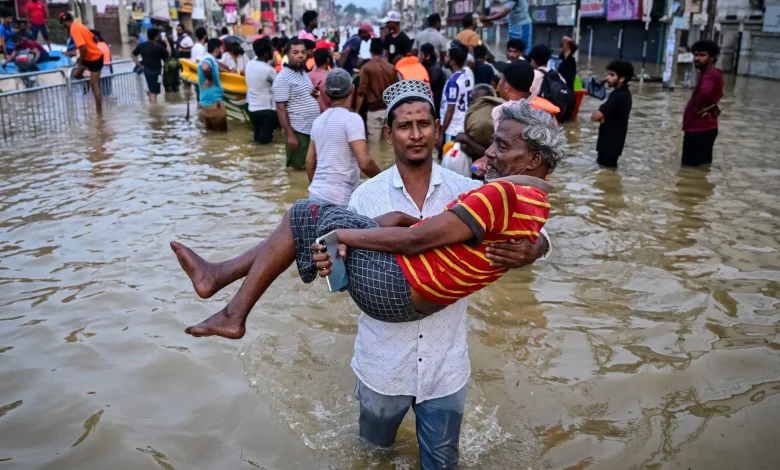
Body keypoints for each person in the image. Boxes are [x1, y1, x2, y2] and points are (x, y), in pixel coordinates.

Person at [170, 90, 555, 469]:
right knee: (374, 457)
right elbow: (339, 278)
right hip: (383, 363)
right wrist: (328, 260)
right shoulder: (366, 195)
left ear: (438, 130)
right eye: (405, 126)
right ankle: (222, 284)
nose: (416, 134)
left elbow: (530, 230)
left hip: (445, 366)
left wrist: (535, 249)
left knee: (442, 463)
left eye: (424, 124)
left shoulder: (470, 188)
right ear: (388, 134)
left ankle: (223, 284)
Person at [306, 68, 382, 206]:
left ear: (326, 92)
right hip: (340, 199)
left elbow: (309, 162)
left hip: (315, 196)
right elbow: (365, 163)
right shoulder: (352, 119)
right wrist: (384, 180)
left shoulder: (318, 121)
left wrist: (321, 189)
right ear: (352, 89)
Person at [273, 38, 321, 169]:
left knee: (310, 167)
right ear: (287, 54)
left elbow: (304, 97)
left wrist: (314, 93)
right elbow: (280, 109)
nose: (300, 55)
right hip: (298, 131)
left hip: (310, 130)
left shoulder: (303, 73)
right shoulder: (282, 78)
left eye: (303, 52)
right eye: (295, 52)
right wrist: (290, 135)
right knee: (298, 169)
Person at [682, 40, 724, 167]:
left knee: (688, 169)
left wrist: (701, 109)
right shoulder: (709, 73)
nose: (697, 58)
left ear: (712, 58)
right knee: (702, 167)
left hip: (699, 129)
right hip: (707, 128)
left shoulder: (710, 74)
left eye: (702, 55)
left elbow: (705, 93)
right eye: (696, 55)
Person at [591, 60, 633, 168]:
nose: (607, 78)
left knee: (605, 172)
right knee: (607, 173)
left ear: (622, 78)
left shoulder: (618, 96)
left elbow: (595, 116)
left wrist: (601, 117)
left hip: (609, 144)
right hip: (613, 144)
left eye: (612, 75)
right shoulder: (625, 93)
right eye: (608, 74)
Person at [60, 13, 104, 116]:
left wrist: (80, 62)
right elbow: (94, 38)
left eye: (63, 24)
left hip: (95, 57)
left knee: (95, 86)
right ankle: (88, 79)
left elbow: (83, 48)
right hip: (87, 57)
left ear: (64, 23)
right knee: (75, 74)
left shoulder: (74, 29)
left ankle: (99, 114)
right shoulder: (80, 26)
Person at [356, 38, 399, 142]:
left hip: (374, 112)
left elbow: (361, 93)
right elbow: (397, 91)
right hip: (390, 111)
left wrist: (356, 113)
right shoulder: (391, 68)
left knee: (374, 146)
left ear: (370, 51)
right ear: (383, 51)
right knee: (389, 145)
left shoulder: (366, 68)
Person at [455, 84, 503, 161]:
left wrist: (467, 140)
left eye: (482, 101)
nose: (477, 104)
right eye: (473, 101)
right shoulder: (474, 116)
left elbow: (492, 154)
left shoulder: (498, 118)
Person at [438, 47, 473, 148]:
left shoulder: (453, 82)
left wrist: (441, 133)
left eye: (447, 56)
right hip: (463, 126)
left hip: (452, 128)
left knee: (447, 155)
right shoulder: (467, 77)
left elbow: (450, 109)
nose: (445, 58)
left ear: (452, 62)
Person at [246, 37, 279, 144]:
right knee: (265, 144)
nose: (273, 51)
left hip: (252, 109)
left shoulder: (249, 65)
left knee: (257, 139)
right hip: (267, 110)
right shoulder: (269, 70)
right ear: (266, 53)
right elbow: (278, 87)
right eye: (271, 49)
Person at [132, 28, 171, 104]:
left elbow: (133, 54)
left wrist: (139, 65)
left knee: (151, 90)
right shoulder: (158, 47)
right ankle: (154, 108)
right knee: (154, 92)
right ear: (156, 37)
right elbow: (168, 54)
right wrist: (167, 43)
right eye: (159, 35)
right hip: (156, 72)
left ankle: (152, 105)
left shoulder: (142, 45)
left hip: (146, 71)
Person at [198, 39, 227, 132]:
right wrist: (210, 79)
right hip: (214, 102)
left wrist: (229, 70)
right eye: (221, 48)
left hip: (207, 102)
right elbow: (205, 68)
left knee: (211, 133)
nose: (222, 51)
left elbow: (218, 66)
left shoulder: (207, 58)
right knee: (221, 134)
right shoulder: (208, 59)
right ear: (216, 49)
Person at [419, 43, 445, 118]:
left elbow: (429, 87)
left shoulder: (435, 69)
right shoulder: (428, 67)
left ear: (427, 56)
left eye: (421, 55)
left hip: (435, 106)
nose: (419, 58)